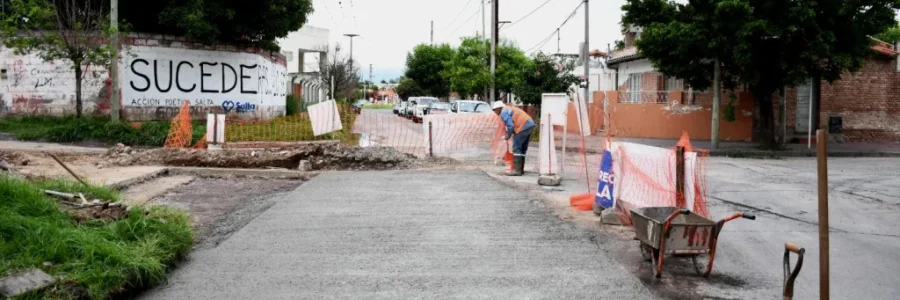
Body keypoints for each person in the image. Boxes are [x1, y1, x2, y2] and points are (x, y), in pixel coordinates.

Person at [492, 101, 534, 176]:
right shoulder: (509, 108)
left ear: (499, 108)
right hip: (529, 124)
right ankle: (520, 169)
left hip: (522, 126)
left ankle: (517, 170)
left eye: (495, 110)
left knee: (516, 148)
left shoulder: (503, 112)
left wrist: (508, 135)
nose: (495, 112)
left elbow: (510, 126)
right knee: (522, 148)